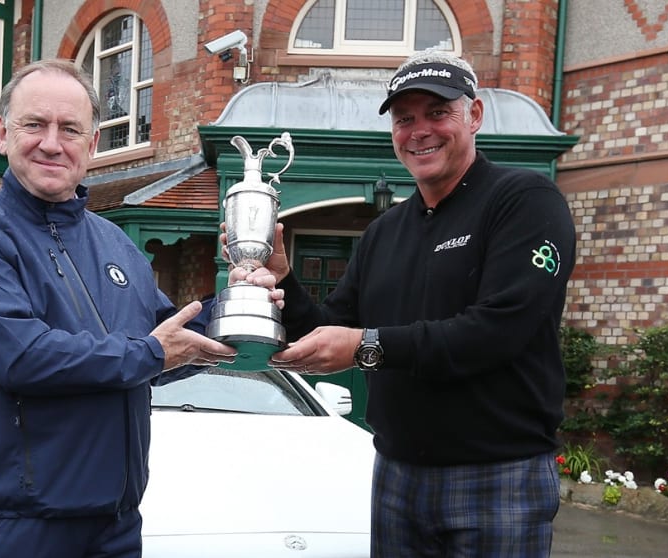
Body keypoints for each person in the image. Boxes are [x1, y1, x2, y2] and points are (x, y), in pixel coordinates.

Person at [232, 50, 576, 557]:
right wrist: (284, 280)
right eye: (404, 118)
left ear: (474, 114)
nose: (420, 131)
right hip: (397, 475)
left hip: (497, 476)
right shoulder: (384, 231)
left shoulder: (524, 200)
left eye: (438, 113)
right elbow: (329, 329)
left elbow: (498, 330)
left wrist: (366, 347)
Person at [0, 59, 238, 558]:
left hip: (116, 527)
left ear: (91, 145)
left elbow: (163, 339)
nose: (52, 142)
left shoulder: (115, 243)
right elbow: (20, 356)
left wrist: (242, 301)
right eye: (35, 124)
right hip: (21, 530)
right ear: (3, 134)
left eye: (70, 128)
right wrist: (152, 355)